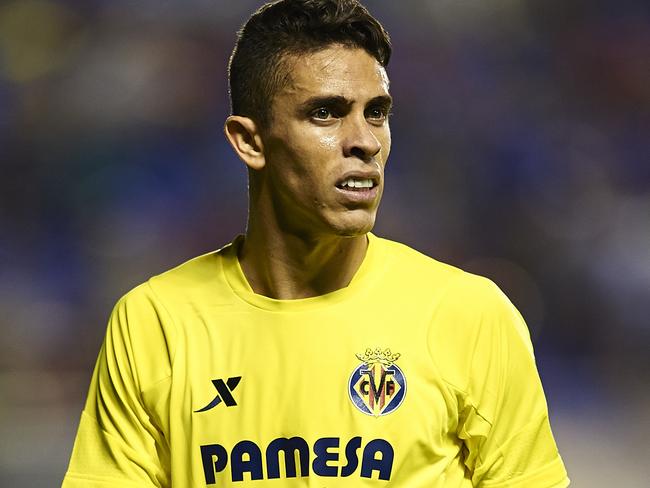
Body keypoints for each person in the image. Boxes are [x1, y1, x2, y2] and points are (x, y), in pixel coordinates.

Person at [62, 0, 569, 486]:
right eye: (326, 113)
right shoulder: (155, 324)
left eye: (376, 113)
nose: (365, 141)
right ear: (250, 141)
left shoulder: (470, 314)